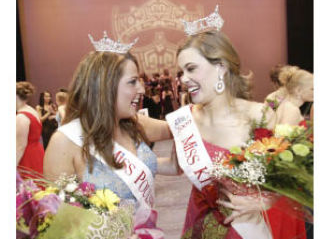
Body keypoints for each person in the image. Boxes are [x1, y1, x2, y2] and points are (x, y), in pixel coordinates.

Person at [166, 29, 307, 239]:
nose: (184, 79)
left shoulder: (259, 116)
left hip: (248, 229)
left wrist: (269, 199)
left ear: (221, 67)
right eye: (182, 72)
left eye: (191, 69)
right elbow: (172, 161)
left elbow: (294, 174)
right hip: (201, 223)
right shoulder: (186, 120)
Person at [44, 32, 178, 238]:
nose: (142, 89)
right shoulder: (65, 142)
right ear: (105, 87)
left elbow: (181, 129)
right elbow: (58, 228)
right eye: (133, 82)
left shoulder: (134, 124)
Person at [16, 82, 45, 178]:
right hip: (37, 152)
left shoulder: (21, 116)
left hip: (27, 156)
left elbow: (20, 146)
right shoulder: (31, 110)